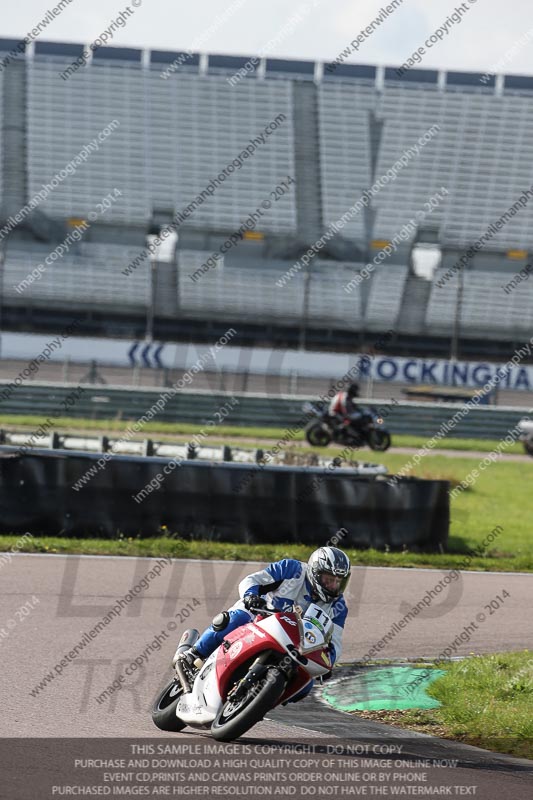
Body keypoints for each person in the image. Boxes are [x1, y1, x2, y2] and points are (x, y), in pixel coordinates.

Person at [173, 546, 351, 703]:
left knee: (306, 683)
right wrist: (251, 596)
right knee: (236, 619)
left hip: (292, 644)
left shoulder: (338, 607)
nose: (333, 585)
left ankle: (261, 702)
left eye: (338, 581)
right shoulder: (292, 569)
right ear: (315, 572)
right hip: (259, 616)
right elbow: (252, 580)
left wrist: (329, 663)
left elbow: (334, 642)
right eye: (329, 579)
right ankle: (192, 653)